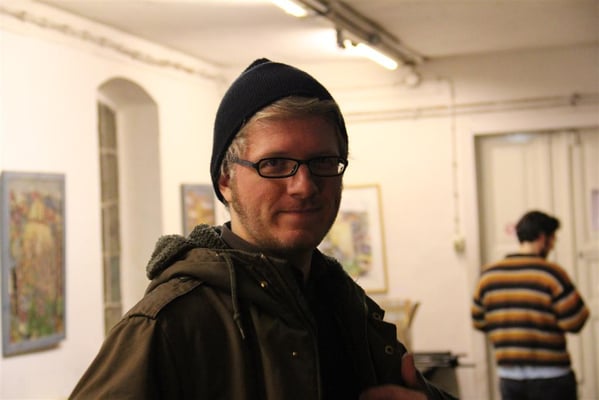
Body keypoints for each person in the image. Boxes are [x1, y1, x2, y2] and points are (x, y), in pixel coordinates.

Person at [70, 58, 455, 400]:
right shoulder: (169, 325)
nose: (304, 186)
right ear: (225, 180)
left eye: (323, 161)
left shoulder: (344, 303)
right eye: (274, 164)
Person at [472, 210, 589, 400]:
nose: (553, 245)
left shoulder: (488, 275)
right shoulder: (551, 273)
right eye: (553, 239)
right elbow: (576, 321)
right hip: (552, 377)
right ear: (543, 238)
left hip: (509, 378)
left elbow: (478, 321)